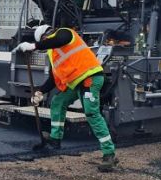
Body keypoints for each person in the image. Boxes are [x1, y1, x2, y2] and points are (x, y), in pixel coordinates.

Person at [15, 24, 118, 172]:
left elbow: (59, 39)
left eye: (44, 40)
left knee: (91, 114)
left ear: (47, 35)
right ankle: (55, 139)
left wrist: (33, 46)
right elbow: (53, 79)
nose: (45, 45)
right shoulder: (53, 53)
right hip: (77, 83)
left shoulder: (65, 33)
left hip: (90, 78)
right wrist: (39, 92)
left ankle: (109, 154)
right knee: (58, 101)